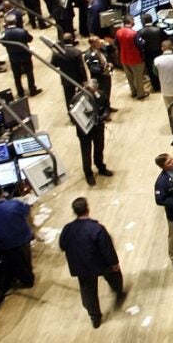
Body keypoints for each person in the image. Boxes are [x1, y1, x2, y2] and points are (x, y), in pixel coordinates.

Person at [58, 197, 124, 328]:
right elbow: (107, 249)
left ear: (74, 212)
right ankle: (118, 290)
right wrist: (114, 264)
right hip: (99, 263)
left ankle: (95, 317)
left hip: (81, 266)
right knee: (113, 275)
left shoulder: (67, 229)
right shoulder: (97, 228)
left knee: (88, 292)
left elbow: (62, 245)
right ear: (87, 209)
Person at [74, 79, 113, 186]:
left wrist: (104, 115)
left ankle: (100, 166)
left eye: (93, 90)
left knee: (99, 148)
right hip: (84, 131)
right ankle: (88, 173)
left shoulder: (101, 95)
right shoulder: (77, 99)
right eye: (88, 90)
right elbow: (73, 115)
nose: (91, 92)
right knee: (86, 152)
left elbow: (106, 106)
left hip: (98, 127)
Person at [3, 15, 41, 98]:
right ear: (15, 21)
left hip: (13, 57)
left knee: (17, 76)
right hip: (25, 55)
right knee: (29, 73)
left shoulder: (4, 33)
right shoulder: (22, 31)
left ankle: (20, 92)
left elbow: (4, 44)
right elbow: (30, 39)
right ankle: (32, 90)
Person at [51, 32, 88, 115]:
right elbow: (81, 68)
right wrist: (85, 79)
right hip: (77, 78)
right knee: (80, 96)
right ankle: (82, 113)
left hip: (65, 78)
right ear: (72, 39)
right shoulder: (77, 52)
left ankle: (71, 114)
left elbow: (53, 64)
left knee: (68, 97)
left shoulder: (57, 52)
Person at [114, 16, 148, 100]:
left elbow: (115, 43)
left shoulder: (118, 32)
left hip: (124, 58)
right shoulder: (134, 33)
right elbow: (141, 45)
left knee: (129, 77)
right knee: (138, 77)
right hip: (135, 58)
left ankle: (133, 92)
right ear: (130, 22)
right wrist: (144, 42)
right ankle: (140, 94)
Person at [84, 35, 114, 121]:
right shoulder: (88, 55)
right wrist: (104, 67)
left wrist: (108, 44)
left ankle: (108, 107)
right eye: (97, 42)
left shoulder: (102, 48)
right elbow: (93, 68)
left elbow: (110, 53)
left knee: (107, 92)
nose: (100, 42)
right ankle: (104, 113)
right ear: (92, 44)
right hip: (99, 78)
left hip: (107, 75)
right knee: (101, 95)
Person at [137, 13, 167, 93]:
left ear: (143, 22)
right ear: (152, 20)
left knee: (151, 71)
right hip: (159, 53)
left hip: (148, 55)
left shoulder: (140, 32)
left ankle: (156, 87)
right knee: (161, 69)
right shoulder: (158, 30)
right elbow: (166, 39)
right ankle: (164, 84)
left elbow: (139, 44)